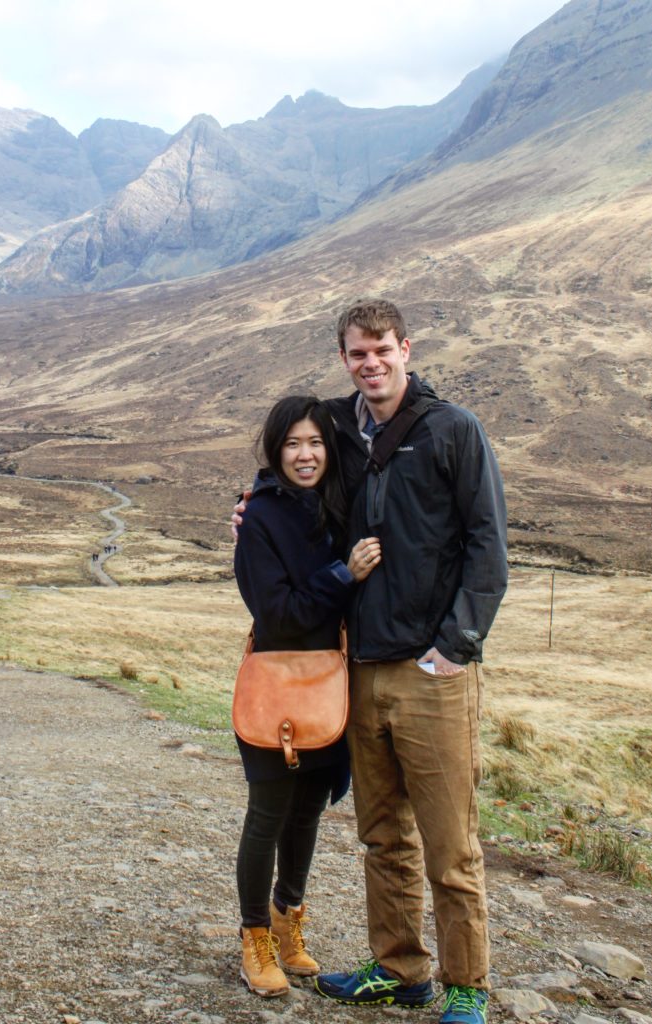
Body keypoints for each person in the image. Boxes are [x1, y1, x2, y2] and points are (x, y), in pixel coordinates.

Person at [234, 300, 507, 1024]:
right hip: (360, 670)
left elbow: (488, 546)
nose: (371, 363)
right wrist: (253, 503)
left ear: (406, 348)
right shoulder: (340, 430)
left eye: (382, 349)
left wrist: (456, 648)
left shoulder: (454, 431)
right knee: (382, 833)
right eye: (358, 353)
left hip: (432, 673)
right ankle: (399, 969)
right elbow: (290, 459)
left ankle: (466, 988)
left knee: (450, 844)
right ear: (346, 358)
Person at [233, 395, 383, 999]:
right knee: (268, 816)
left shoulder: (339, 507)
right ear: (276, 449)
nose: (305, 454)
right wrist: (343, 575)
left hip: (331, 690)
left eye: (316, 442)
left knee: (307, 815)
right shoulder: (260, 519)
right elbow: (279, 612)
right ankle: (254, 939)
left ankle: (287, 921)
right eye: (293, 443)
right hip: (279, 690)